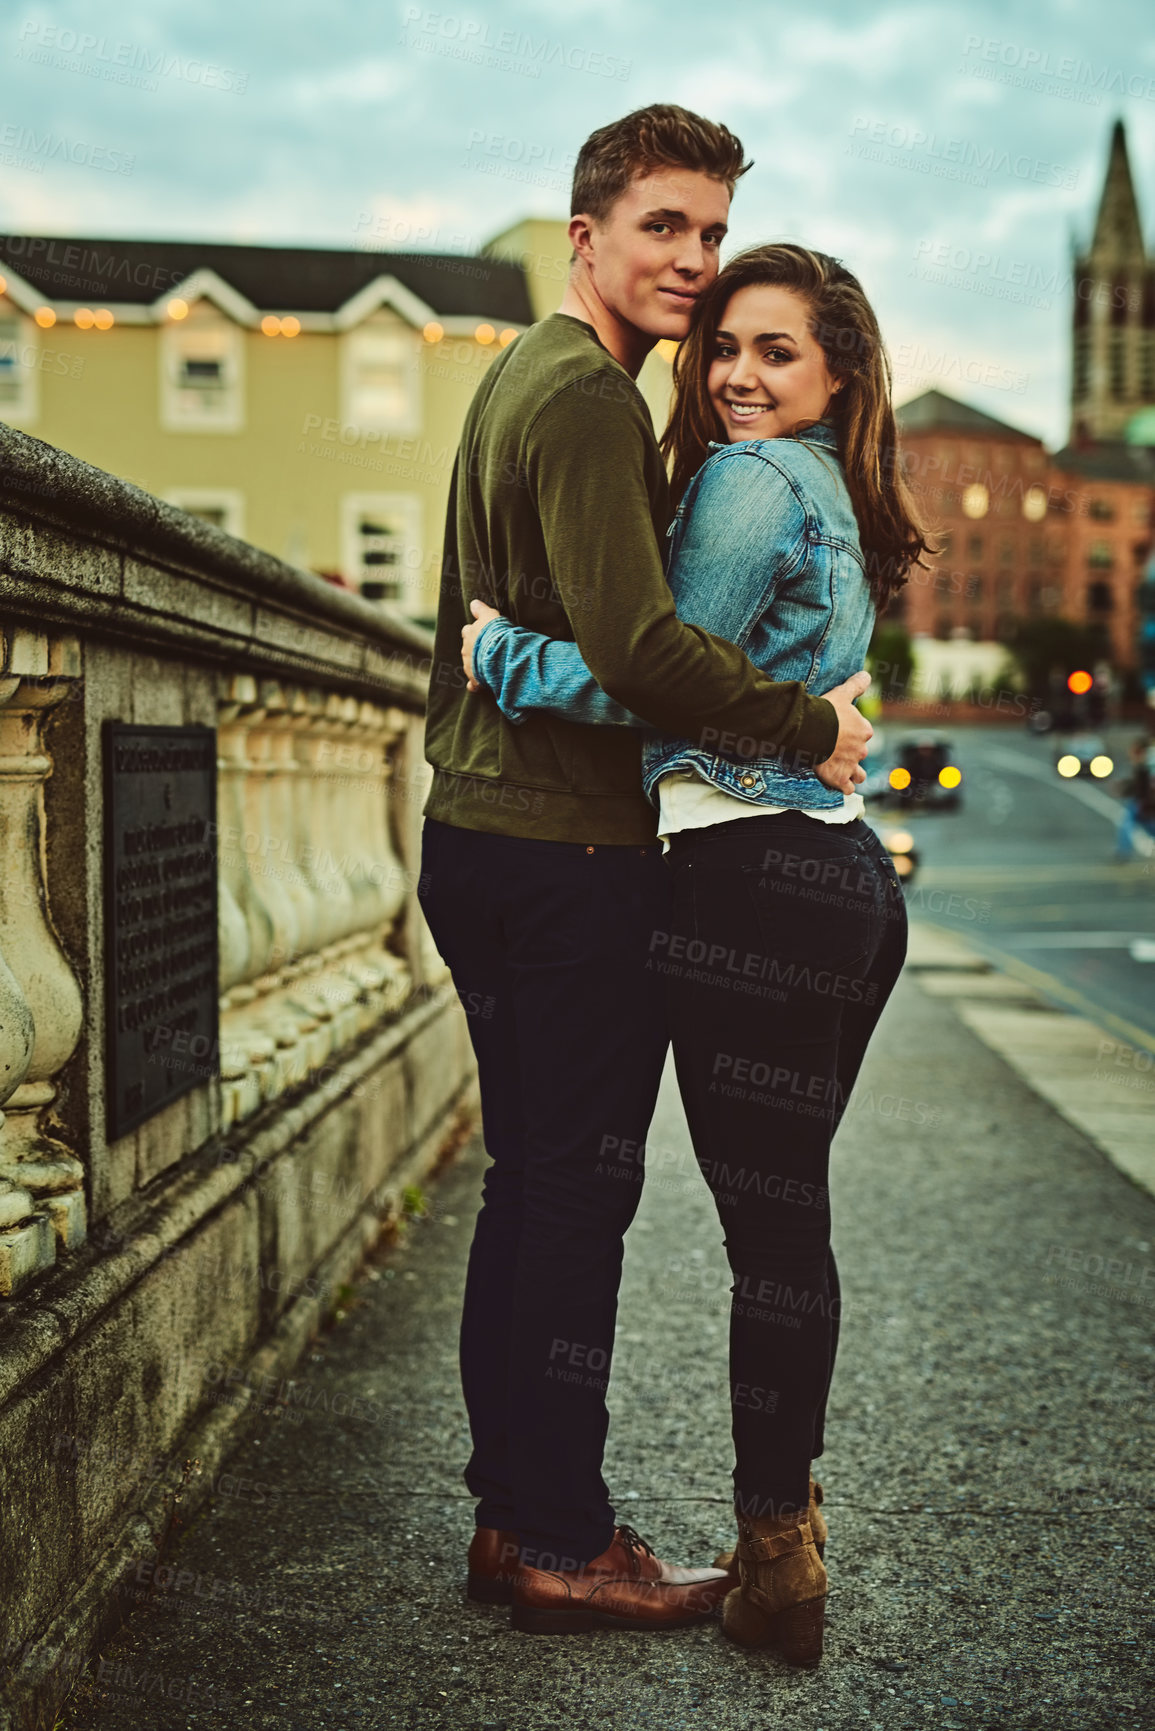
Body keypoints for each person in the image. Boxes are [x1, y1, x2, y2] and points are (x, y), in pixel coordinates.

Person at [418, 107, 874, 1637]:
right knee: (571, 1204)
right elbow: (646, 654)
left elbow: (614, 638)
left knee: (534, 1193)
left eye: (709, 232)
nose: (689, 261)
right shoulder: (595, 401)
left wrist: (501, 658)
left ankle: (524, 1517)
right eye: (663, 228)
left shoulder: (528, 380)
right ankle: (553, 1532)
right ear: (586, 237)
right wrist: (808, 719)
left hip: (494, 839)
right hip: (563, 857)